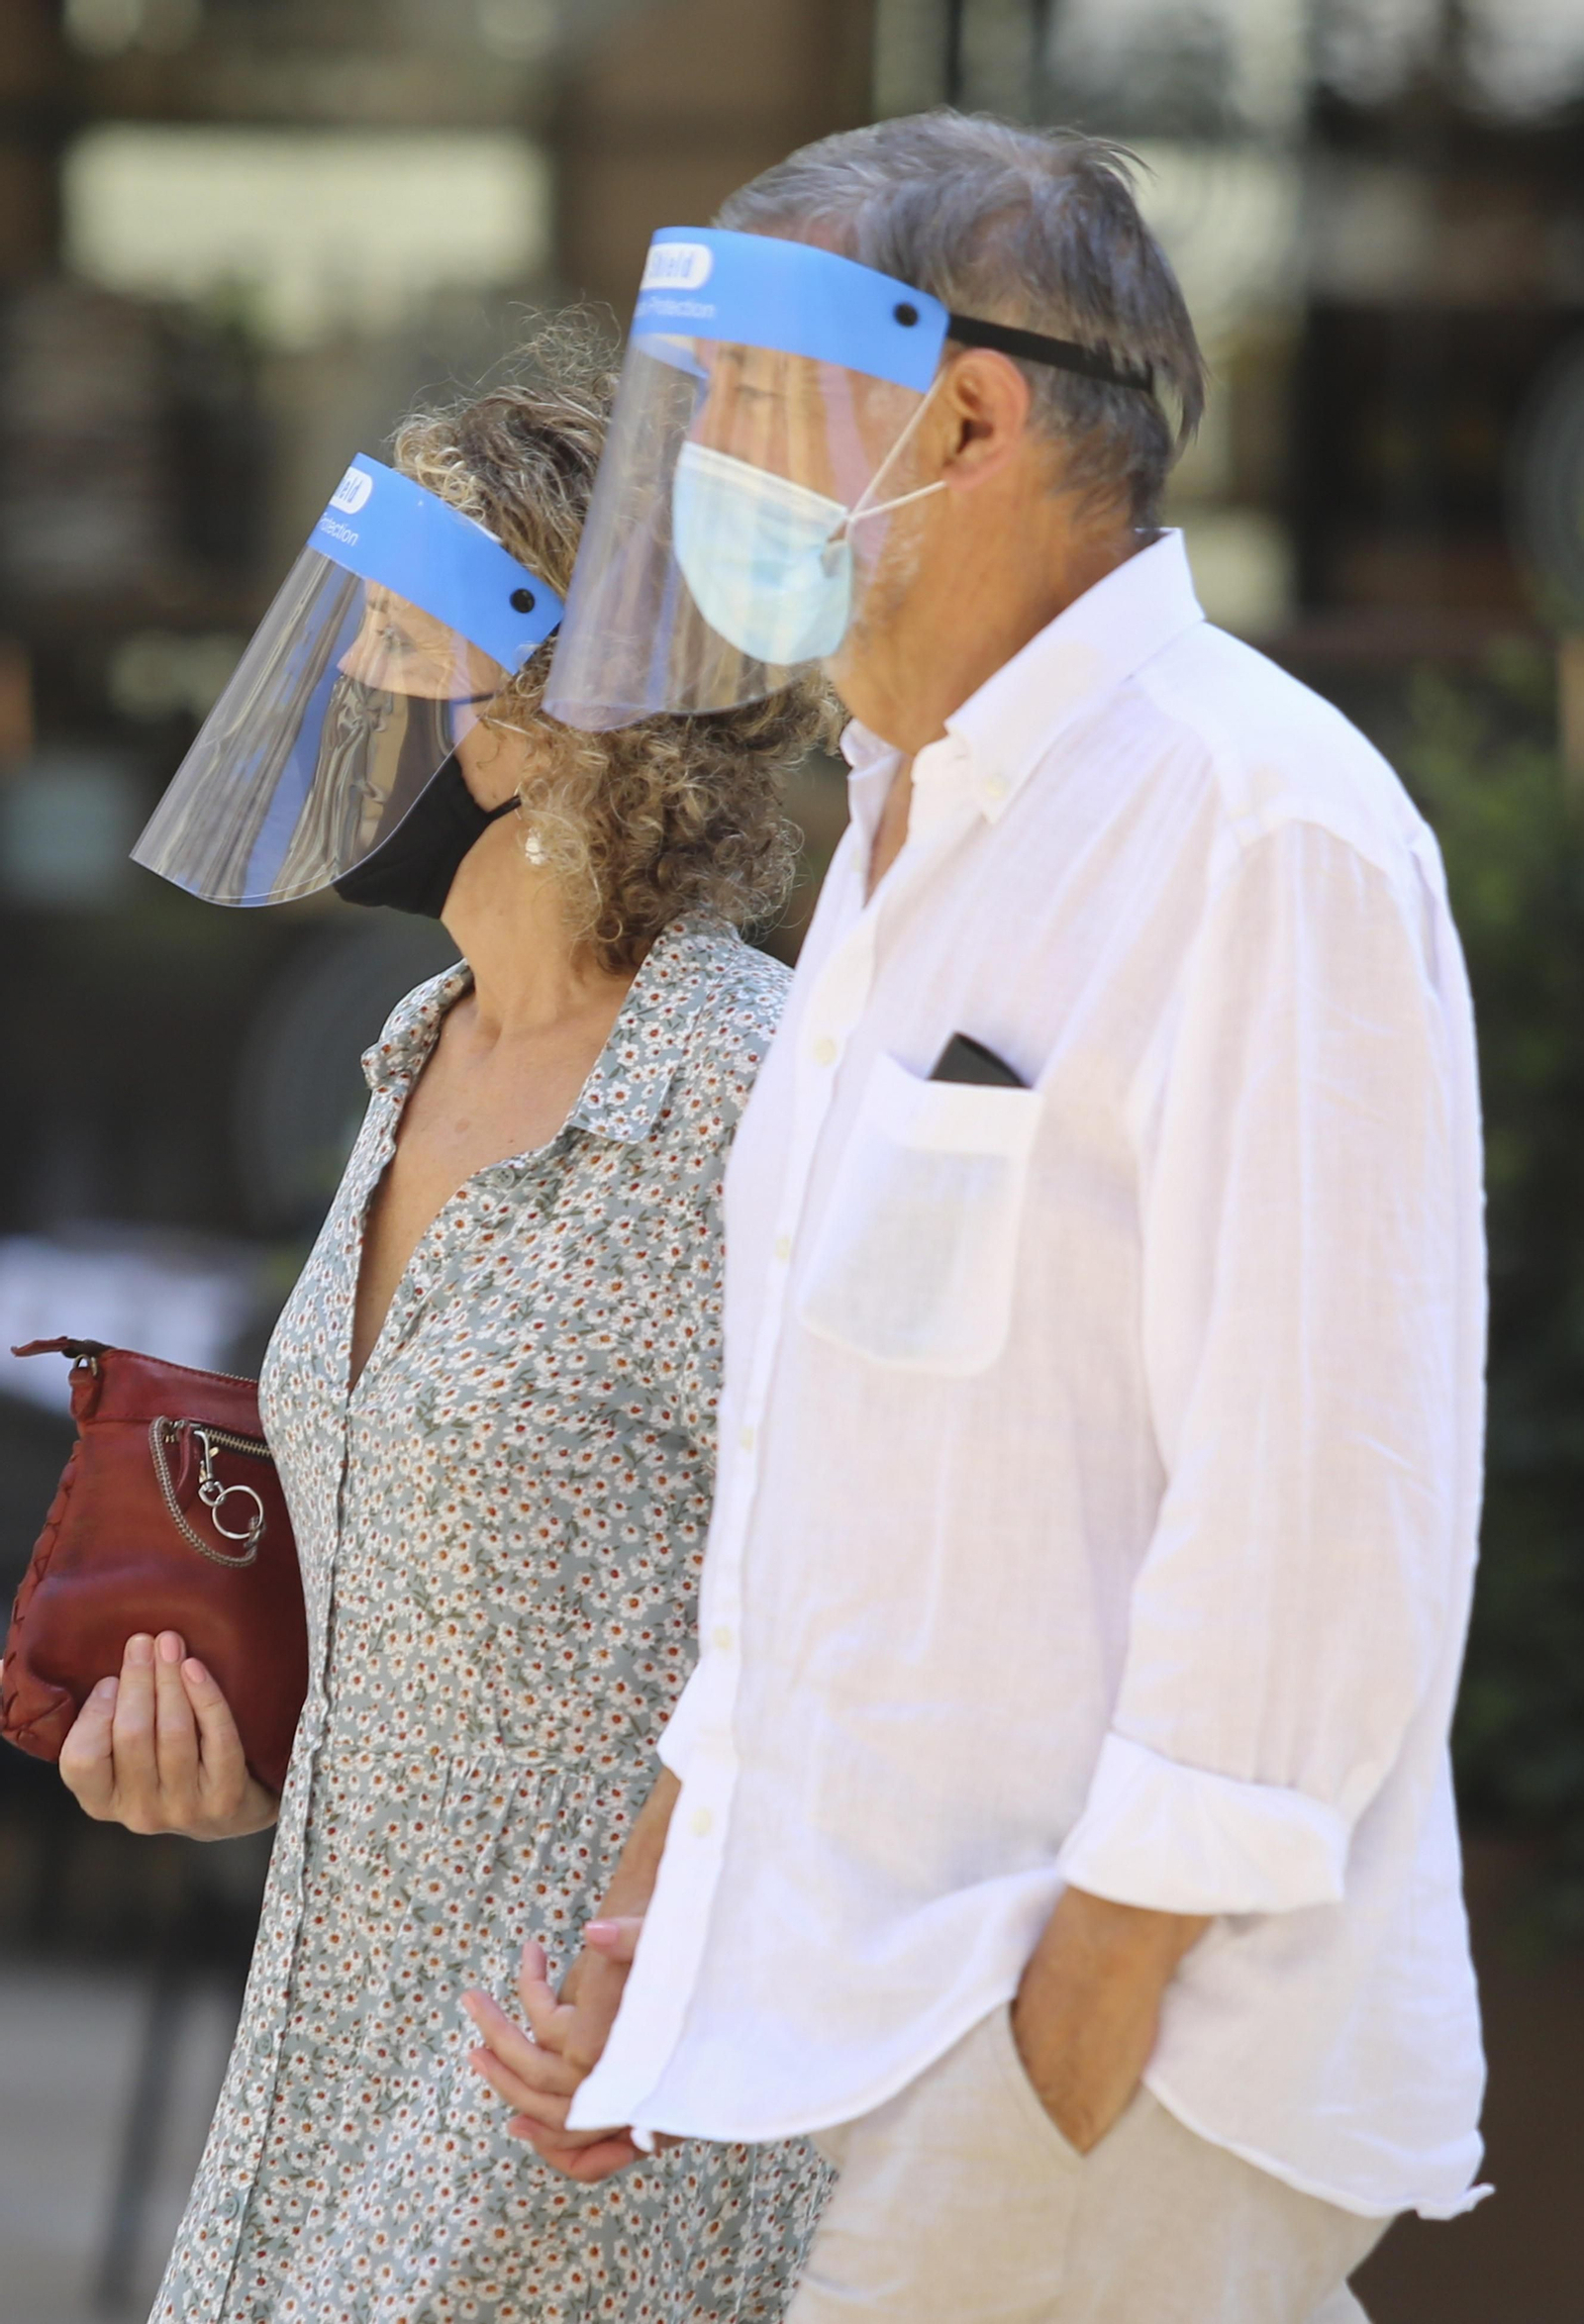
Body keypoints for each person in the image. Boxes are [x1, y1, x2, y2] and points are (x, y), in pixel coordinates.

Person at [470, 116, 1489, 2323]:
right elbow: (854, 1493)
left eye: (748, 401)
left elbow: (1322, 1495)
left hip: (1111, 2048)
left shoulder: (1255, 820)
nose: (708, 466)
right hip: (935, 2029)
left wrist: (1078, 2019)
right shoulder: (898, 834)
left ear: (965, 410)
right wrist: (710, 1923)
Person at [55, 321, 834, 2323]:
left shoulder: (744, 1092)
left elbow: (839, 1603)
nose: (337, 682)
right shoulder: (414, 1057)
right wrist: (235, 1762)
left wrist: (643, 1962)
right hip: (317, 2065)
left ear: (549, 717)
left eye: (388, 639)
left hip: (568, 2108)